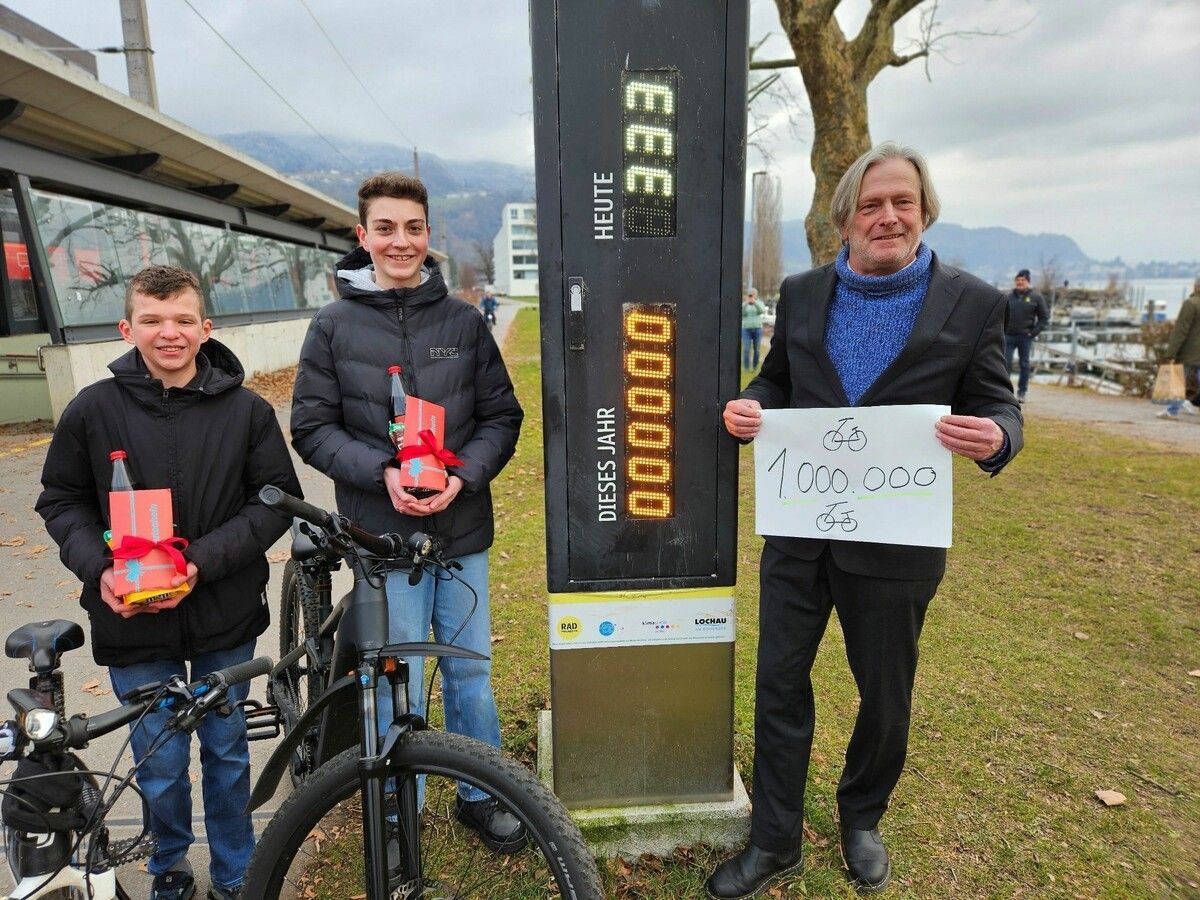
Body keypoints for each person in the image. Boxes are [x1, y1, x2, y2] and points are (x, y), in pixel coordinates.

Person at [708, 143, 1023, 898]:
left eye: (903, 203)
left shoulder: (974, 302)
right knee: (779, 684)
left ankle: (861, 818)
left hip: (897, 540)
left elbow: (998, 402)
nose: (888, 217)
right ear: (844, 220)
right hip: (800, 530)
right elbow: (777, 378)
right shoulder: (802, 292)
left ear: (924, 212)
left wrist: (998, 436)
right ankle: (776, 838)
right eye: (872, 205)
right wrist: (755, 407)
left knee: (885, 695)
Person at [36, 265, 301, 900]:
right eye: (152, 321)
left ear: (206, 328)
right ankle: (171, 868)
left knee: (228, 752)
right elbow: (61, 501)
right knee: (157, 762)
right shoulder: (91, 410)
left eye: (183, 320)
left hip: (224, 614)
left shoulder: (247, 411)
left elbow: (274, 502)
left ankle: (236, 871)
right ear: (127, 328)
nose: (169, 333)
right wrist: (98, 567)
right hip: (133, 620)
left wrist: (199, 562)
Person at [290, 172, 525, 851]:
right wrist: (382, 471)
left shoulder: (460, 321)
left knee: (470, 672)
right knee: (400, 676)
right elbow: (311, 427)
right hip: (381, 535)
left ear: (429, 236)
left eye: (413, 228)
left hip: (460, 532)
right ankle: (401, 805)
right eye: (386, 228)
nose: (401, 241)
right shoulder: (332, 326)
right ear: (362, 237)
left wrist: (464, 473)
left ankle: (482, 793)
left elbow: (500, 418)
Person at [1004, 268, 1049, 403]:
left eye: (1023, 280)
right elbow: (1000, 315)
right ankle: (1005, 393)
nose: (1020, 282)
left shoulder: (1036, 297)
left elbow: (1044, 317)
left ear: (1028, 282)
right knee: (1005, 364)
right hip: (1008, 336)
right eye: (1017, 280)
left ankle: (1022, 392)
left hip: (1025, 336)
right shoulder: (1008, 297)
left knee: (1024, 365)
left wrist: (1033, 332)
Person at [1157, 277, 1200, 418]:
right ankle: (1173, 409)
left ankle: (1172, 411)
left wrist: (1171, 352)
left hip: (1189, 350)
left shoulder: (1191, 304)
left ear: (1196, 286)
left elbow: (1180, 331)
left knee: (1179, 378)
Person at [741, 287, 767, 370]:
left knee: (757, 349)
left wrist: (755, 303)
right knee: (746, 349)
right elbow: (742, 313)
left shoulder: (759, 302)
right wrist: (746, 303)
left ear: (756, 295)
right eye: (750, 294)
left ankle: (755, 366)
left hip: (757, 329)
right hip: (746, 329)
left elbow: (761, 311)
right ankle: (746, 368)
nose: (751, 295)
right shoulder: (744, 304)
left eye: (753, 294)